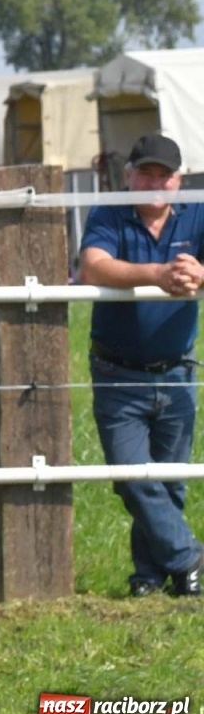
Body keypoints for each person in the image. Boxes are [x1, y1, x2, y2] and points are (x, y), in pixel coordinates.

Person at [77, 132, 204, 597]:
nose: (155, 183)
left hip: (177, 371)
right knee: (133, 477)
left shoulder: (198, 212)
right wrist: (158, 275)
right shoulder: (109, 212)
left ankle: (150, 577)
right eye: (146, 173)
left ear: (179, 180)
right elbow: (93, 266)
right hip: (118, 372)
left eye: (164, 175)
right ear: (128, 175)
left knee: (168, 484)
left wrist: (200, 274)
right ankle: (190, 558)